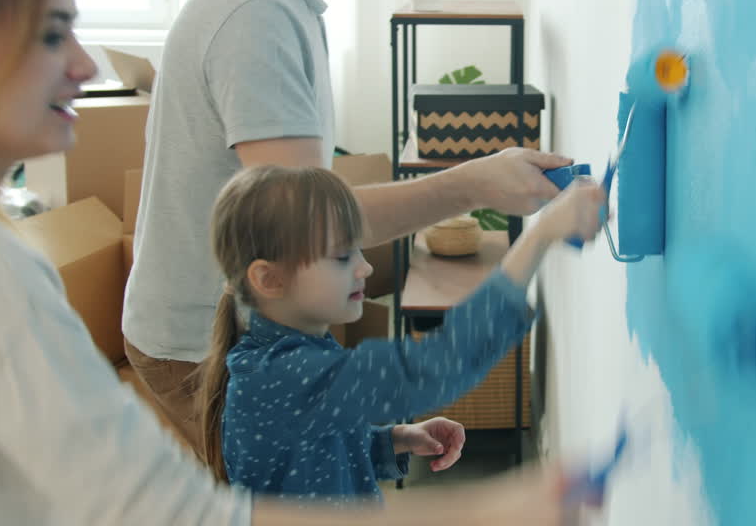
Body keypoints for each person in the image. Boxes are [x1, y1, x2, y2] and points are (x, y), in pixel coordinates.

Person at [0, 0, 575, 526]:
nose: (82, 62)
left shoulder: (279, 357)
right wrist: (488, 508)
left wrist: (381, 443)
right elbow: (171, 510)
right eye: (50, 37)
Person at [122, 0, 571, 451]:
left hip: (235, 335)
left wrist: (373, 441)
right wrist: (477, 183)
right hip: (206, 347)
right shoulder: (255, 14)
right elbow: (311, 228)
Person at [196, 165, 604, 500]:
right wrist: (540, 236)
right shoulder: (282, 374)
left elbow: (315, 456)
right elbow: (435, 366)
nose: (364, 268)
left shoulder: (293, 353)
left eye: (358, 249)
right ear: (269, 278)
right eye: (342, 256)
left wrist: (394, 440)